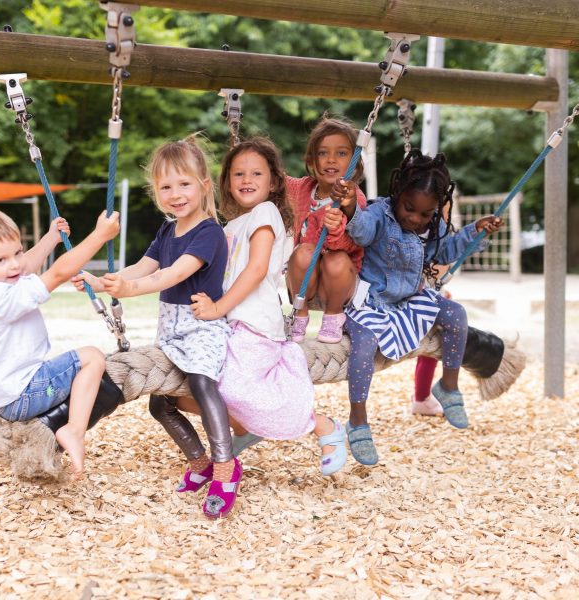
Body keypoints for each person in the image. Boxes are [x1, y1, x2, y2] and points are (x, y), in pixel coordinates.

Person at [78, 136, 241, 518]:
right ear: (156, 193)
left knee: (202, 383)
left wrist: (131, 289)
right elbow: (142, 267)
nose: (175, 194)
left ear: (203, 186)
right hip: (170, 332)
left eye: (184, 184)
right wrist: (101, 281)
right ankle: (199, 464)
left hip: (202, 328)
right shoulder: (168, 231)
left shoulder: (208, 232)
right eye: (166, 186)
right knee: (159, 404)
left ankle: (225, 467)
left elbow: (173, 274)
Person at [188, 137, 348, 475]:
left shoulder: (266, 213)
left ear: (274, 182)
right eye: (238, 174)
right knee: (204, 387)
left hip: (255, 321)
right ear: (227, 183)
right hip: (231, 322)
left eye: (256, 174)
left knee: (235, 387)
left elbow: (257, 269)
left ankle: (322, 426)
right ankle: (245, 429)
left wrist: (217, 308)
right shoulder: (230, 225)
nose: (246, 180)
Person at [334, 150, 502, 465]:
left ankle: (448, 386)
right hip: (371, 300)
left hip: (409, 300)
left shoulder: (431, 226)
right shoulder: (380, 214)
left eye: (424, 214)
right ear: (397, 194)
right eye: (409, 208)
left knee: (455, 313)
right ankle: (357, 420)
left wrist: (476, 231)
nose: (414, 218)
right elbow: (361, 230)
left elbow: (446, 250)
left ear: (435, 211)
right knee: (364, 344)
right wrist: (347, 207)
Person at [0, 205, 120, 479]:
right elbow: (58, 273)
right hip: (24, 393)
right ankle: (74, 431)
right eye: (1, 260)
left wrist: (51, 238)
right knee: (93, 357)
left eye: (16, 252)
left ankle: (60, 423)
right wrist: (99, 236)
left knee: (78, 362)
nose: (14, 264)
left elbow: (24, 265)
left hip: (5, 395)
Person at [286, 115, 367, 344]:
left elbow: (356, 242)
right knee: (303, 252)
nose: (331, 160)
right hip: (304, 284)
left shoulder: (353, 198)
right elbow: (276, 179)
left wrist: (336, 230)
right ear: (312, 160)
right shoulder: (303, 189)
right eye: (323, 153)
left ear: (355, 161)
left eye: (341, 153)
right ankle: (299, 315)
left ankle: (333, 316)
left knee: (337, 259)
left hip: (339, 287)